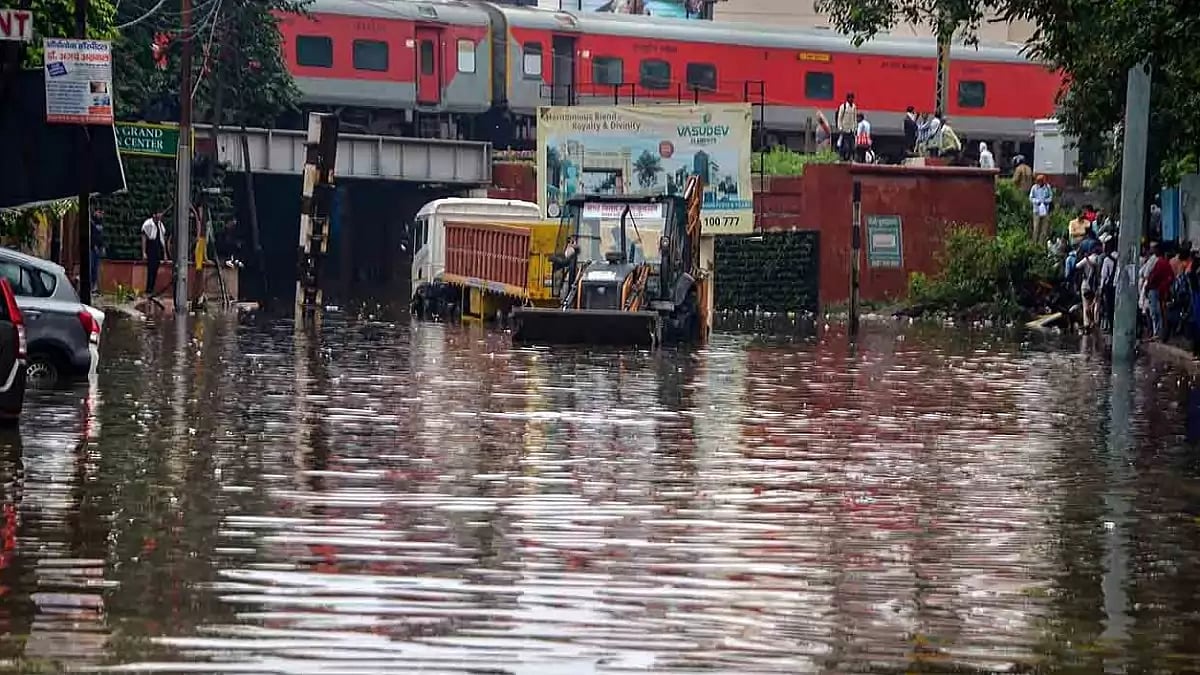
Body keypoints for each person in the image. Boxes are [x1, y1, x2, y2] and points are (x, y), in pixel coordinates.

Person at [1145, 242, 1174, 341]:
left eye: (1155, 249)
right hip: (1160, 290)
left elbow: (1153, 277)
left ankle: (1157, 332)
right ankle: (1157, 332)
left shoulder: (1160, 262)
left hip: (1156, 289)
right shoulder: (1162, 262)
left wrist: (1148, 287)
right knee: (1158, 312)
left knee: (1155, 312)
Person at [141, 211, 169, 296]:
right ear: (154, 214)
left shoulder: (160, 224)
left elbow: (163, 240)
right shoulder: (148, 224)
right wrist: (144, 252)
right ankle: (148, 290)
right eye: (158, 213)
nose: (160, 215)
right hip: (151, 247)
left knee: (155, 269)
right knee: (151, 269)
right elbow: (144, 238)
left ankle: (152, 289)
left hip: (158, 247)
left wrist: (165, 254)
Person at [1077, 244, 1102, 330]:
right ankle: (1095, 322)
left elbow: (1077, 266)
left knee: (1086, 305)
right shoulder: (1099, 259)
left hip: (1085, 284)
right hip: (1095, 285)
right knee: (1096, 304)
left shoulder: (1086, 259)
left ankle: (1087, 324)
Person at [1099, 237, 1118, 332]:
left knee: (1109, 308)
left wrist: (1101, 289)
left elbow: (1104, 276)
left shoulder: (1107, 259)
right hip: (1118, 286)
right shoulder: (1120, 257)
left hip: (1109, 287)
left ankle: (1111, 328)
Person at [1029, 175, 1053, 244]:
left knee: (1044, 228)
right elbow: (1031, 197)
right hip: (1037, 211)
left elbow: (1050, 197)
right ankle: (1034, 243)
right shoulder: (1034, 188)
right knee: (1036, 227)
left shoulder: (1047, 187)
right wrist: (1037, 201)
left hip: (1045, 210)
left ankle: (1041, 243)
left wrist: (1046, 201)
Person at [834, 92, 858, 161]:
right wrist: (840, 127)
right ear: (847, 98)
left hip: (851, 130)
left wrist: (855, 128)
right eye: (850, 98)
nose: (851, 99)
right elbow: (839, 118)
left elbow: (854, 118)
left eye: (852, 98)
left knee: (852, 146)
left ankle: (849, 158)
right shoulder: (843, 106)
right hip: (844, 129)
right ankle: (843, 157)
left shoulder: (854, 107)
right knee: (845, 145)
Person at [90, 208, 105, 295]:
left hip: (98, 250)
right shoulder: (91, 223)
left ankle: (95, 287)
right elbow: (91, 236)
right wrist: (93, 246)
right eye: (99, 212)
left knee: (96, 268)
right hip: (92, 249)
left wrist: (102, 246)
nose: (101, 215)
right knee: (91, 267)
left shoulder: (101, 224)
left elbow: (101, 237)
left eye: (102, 213)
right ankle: (91, 286)